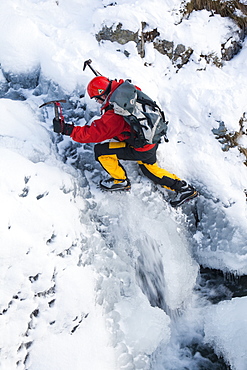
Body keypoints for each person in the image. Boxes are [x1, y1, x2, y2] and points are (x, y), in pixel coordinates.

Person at [53, 76, 198, 207]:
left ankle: (120, 181)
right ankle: (184, 189)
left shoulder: (115, 114)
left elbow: (93, 134)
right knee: (150, 168)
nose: (97, 102)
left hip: (141, 148)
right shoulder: (126, 90)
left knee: (102, 151)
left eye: (97, 98)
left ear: (103, 94)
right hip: (151, 136)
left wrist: (67, 129)